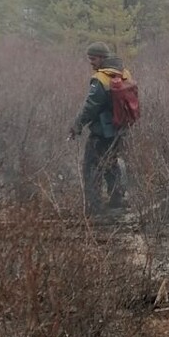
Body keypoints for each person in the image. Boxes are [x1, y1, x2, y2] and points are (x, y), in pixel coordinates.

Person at [68, 40, 132, 218]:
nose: (91, 62)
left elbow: (90, 106)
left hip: (101, 132)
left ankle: (94, 209)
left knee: (91, 168)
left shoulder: (101, 78)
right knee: (111, 164)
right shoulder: (124, 72)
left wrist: (77, 126)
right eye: (89, 58)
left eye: (93, 58)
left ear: (103, 58)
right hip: (119, 129)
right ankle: (116, 201)